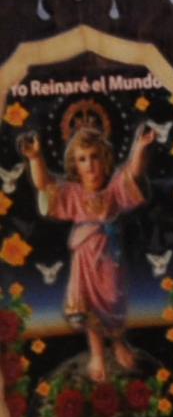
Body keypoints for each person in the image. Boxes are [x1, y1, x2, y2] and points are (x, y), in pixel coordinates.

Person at [29, 101, 158, 388]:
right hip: (85, 260)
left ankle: (119, 343)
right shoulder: (72, 193)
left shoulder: (113, 188)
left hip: (109, 258)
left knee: (112, 302)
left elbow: (132, 174)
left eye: (95, 157)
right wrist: (36, 158)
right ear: (74, 164)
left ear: (105, 157)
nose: (90, 164)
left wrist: (141, 147)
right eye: (82, 159)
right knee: (89, 308)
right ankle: (97, 354)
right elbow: (44, 185)